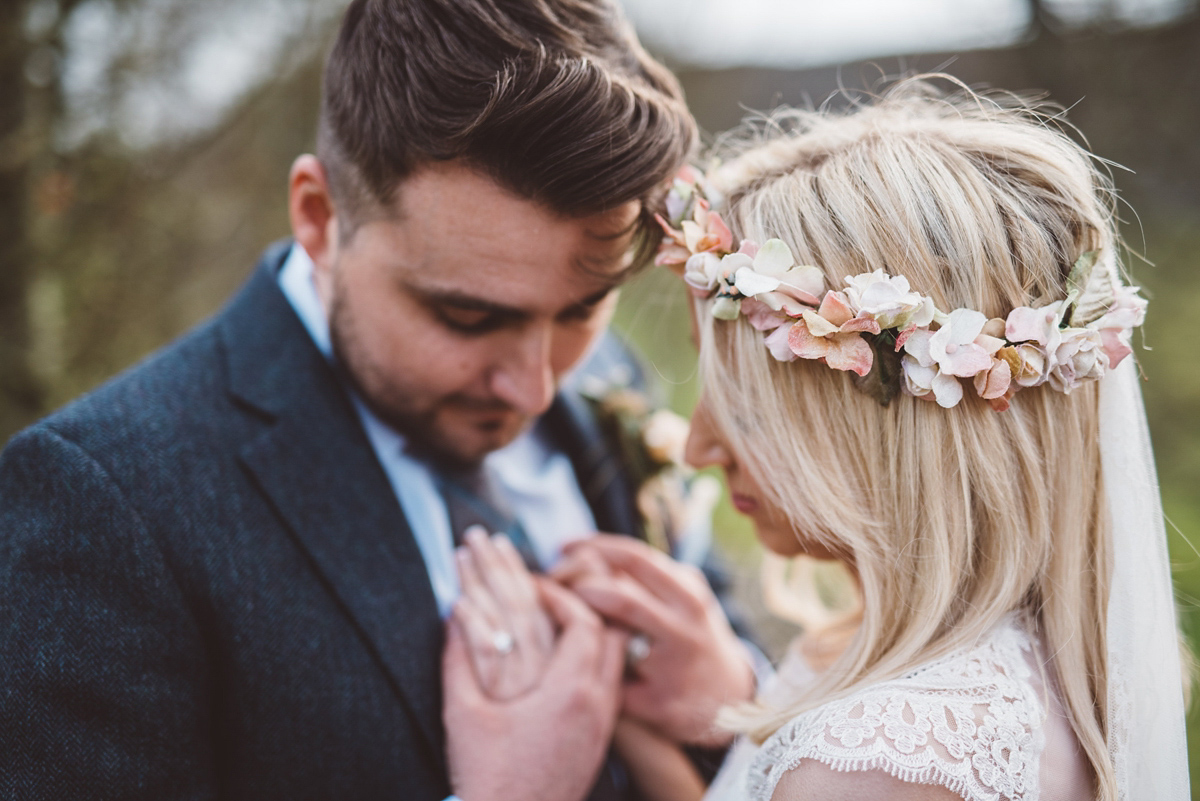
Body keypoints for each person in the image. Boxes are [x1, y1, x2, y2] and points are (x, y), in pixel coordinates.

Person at [0, 1, 707, 800]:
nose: (535, 386)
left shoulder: (609, 385)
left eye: (584, 308)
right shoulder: (103, 504)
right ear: (319, 215)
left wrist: (729, 705)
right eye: (467, 317)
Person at [454, 77, 1190, 800]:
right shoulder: (1011, 671)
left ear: (882, 426)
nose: (697, 448)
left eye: (746, 409)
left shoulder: (875, 761)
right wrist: (691, 720)